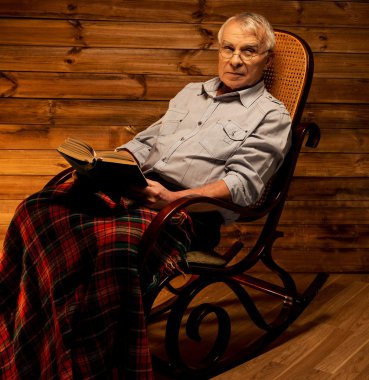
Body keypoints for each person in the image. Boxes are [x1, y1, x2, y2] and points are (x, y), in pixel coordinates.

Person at [0, 12, 291, 379]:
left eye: (248, 51)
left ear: (267, 58)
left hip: (185, 214)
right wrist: (105, 165)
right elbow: (145, 142)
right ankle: (31, 329)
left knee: (109, 246)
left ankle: (90, 363)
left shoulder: (270, 116)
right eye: (228, 48)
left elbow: (244, 186)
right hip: (136, 191)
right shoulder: (191, 94)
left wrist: (171, 199)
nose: (235, 59)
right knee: (37, 210)